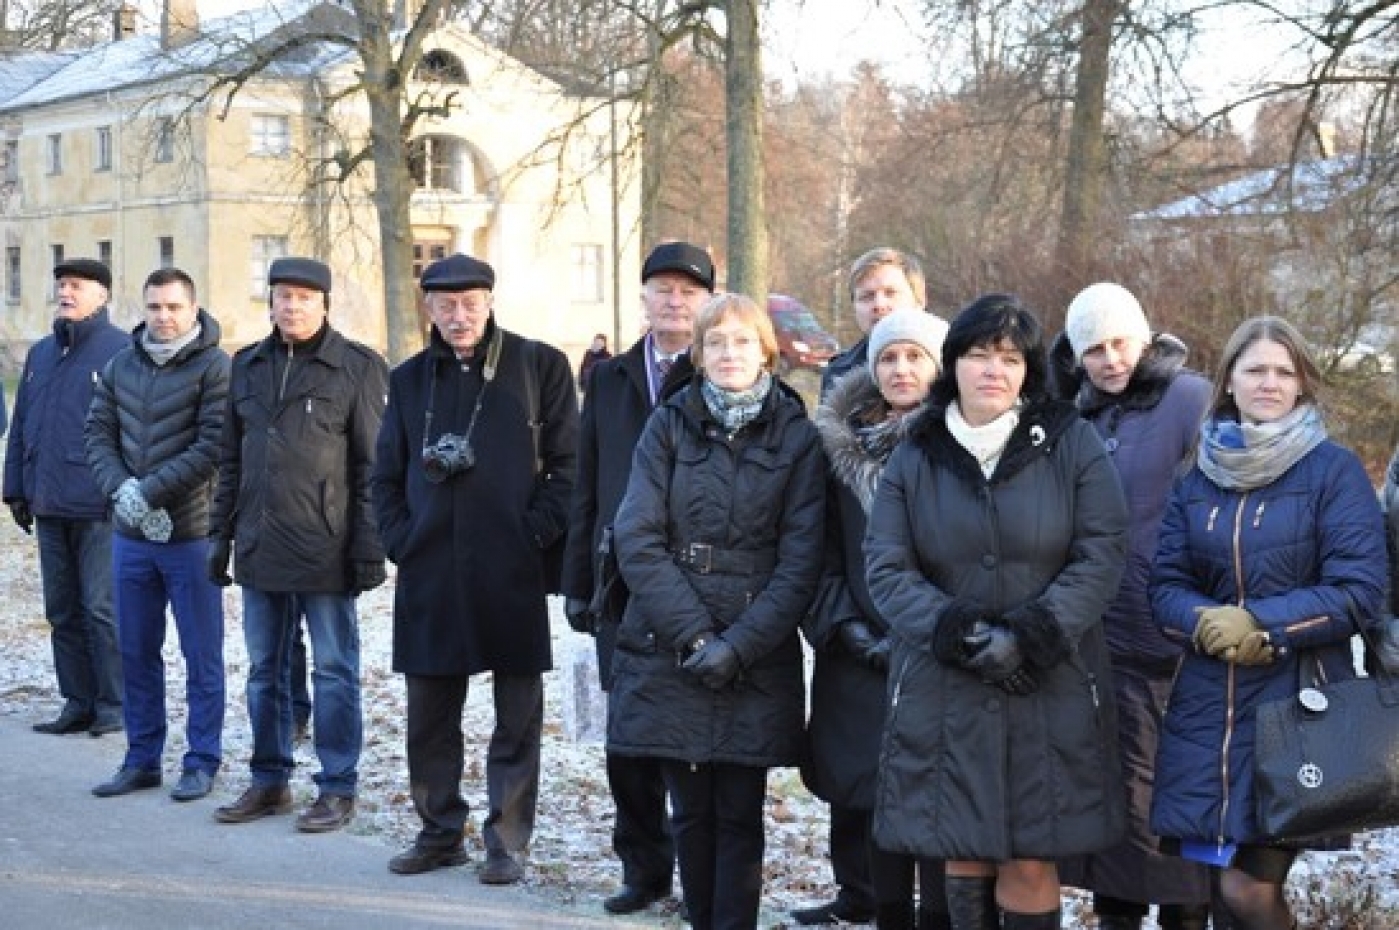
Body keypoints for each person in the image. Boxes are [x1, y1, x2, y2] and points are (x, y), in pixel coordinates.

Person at [865, 293, 1129, 930]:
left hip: (1049, 681)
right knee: (964, 851)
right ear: (952, 363)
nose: (994, 369)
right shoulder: (916, 451)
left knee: (1030, 860)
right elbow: (887, 568)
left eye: (1010, 358)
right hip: (946, 680)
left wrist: (1032, 636)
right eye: (980, 354)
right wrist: (960, 634)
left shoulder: (1071, 442)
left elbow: (1102, 552)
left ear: (1028, 371)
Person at [1149, 316, 1387, 930]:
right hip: (1209, 711)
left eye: (1285, 372)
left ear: (1304, 384)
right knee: (1216, 886)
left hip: (1295, 707)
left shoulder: (1333, 471)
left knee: (1248, 890)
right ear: (1228, 381)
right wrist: (1207, 623)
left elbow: (1359, 590)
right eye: (1256, 369)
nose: (1270, 383)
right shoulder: (1198, 472)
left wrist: (1261, 624)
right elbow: (1166, 585)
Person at [607, 292, 825, 930]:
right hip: (671, 639)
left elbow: (801, 560)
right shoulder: (669, 424)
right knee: (690, 811)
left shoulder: (797, 437)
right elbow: (637, 536)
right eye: (716, 343)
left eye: (743, 341)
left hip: (755, 646)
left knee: (738, 810)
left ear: (767, 351)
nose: (730, 354)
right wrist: (695, 635)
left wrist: (738, 645)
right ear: (698, 355)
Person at [373, 253, 577, 886]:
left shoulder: (538, 365)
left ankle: (506, 839)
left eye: (469, 303)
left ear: (490, 301)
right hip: (430, 570)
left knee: (517, 716)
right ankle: (439, 832)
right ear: (428, 308)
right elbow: (383, 476)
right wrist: (403, 539)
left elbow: (569, 468)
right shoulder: (408, 380)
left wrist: (532, 534)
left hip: (510, 568)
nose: (458, 316)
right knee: (430, 715)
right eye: (445, 304)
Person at [1048, 283, 1213, 930]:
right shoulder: (1075, 413)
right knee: (1112, 793)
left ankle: (1185, 914)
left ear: (1143, 338)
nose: (1110, 359)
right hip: (1095, 642)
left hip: (1175, 642)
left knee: (1173, 796)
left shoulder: (1191, 399)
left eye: (1120, 342)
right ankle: (1116, 915)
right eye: (1093, 349)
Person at [207, 256, 388, 833]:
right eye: (283, 296)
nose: (293, 307)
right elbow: (230, 461)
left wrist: (367, 546)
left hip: (326, 549)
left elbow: (372, 467)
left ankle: (337, 786)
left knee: (333, 671)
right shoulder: (248, 366)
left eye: (304, 298)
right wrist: (221, 536)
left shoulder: (356, 368)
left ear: (324, 304)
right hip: (260, 547)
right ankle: (269, 780)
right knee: (265, 670)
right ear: (272, 302)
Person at [560, 240, 714, 914]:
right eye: (662, 288)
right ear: (643, 297)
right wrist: (576, 580)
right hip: (618, 584)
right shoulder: (612, 377)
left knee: (691, 739)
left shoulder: (719, 374)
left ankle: (698, 875)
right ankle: (643, 868)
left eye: (688, 289)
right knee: (627, 740)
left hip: (696, 587)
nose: (674, 300)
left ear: (707, 300)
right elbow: (585, 484)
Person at [796, 245, 928, 927]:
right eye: (866, 296)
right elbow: (813, 526)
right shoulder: (839, 403)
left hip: (929, 630)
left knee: (920, 777)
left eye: (889, 292)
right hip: (851, 618)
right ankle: (856, 894)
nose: (878, 306)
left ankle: (912, 905)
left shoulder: (954, 408)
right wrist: (836, 619)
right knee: (850, 766)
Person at [85, 267, 230, 801]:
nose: (163, 317)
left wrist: (151, 491)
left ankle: (201, 760)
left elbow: (213, 446)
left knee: (201, 653)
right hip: (129, 535)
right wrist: (120, 488)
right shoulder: (122, 362)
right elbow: (96, 432)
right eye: (154, 307)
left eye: (173, 307)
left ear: (193, 309)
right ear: (142, 309)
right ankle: (142, 759)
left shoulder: (216, 367)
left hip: (191, 534)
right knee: (136, 650)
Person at [4, 257, 128, 737]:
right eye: (61, 285)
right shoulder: (39, 354)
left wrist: (120, 490)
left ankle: (113, 703)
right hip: (49, 501)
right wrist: (15, 488)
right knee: (62, 610)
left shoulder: (120, 350)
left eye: (76, 285)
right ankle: (77, 700)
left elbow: (130, 430)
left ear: (102, 295)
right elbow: (21, 427)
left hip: (98, 505)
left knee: (101, 608)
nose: (65, 293)